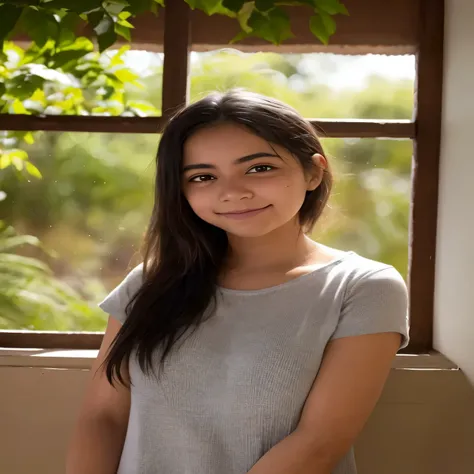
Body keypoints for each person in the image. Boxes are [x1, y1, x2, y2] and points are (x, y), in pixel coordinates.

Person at [66, 89, 409, 474]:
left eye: (259, 168)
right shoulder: (150, 282)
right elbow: (103, 418)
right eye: (204, 176)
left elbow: (318, 443)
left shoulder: (364, 287)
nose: (232, 192)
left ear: (314, 171)